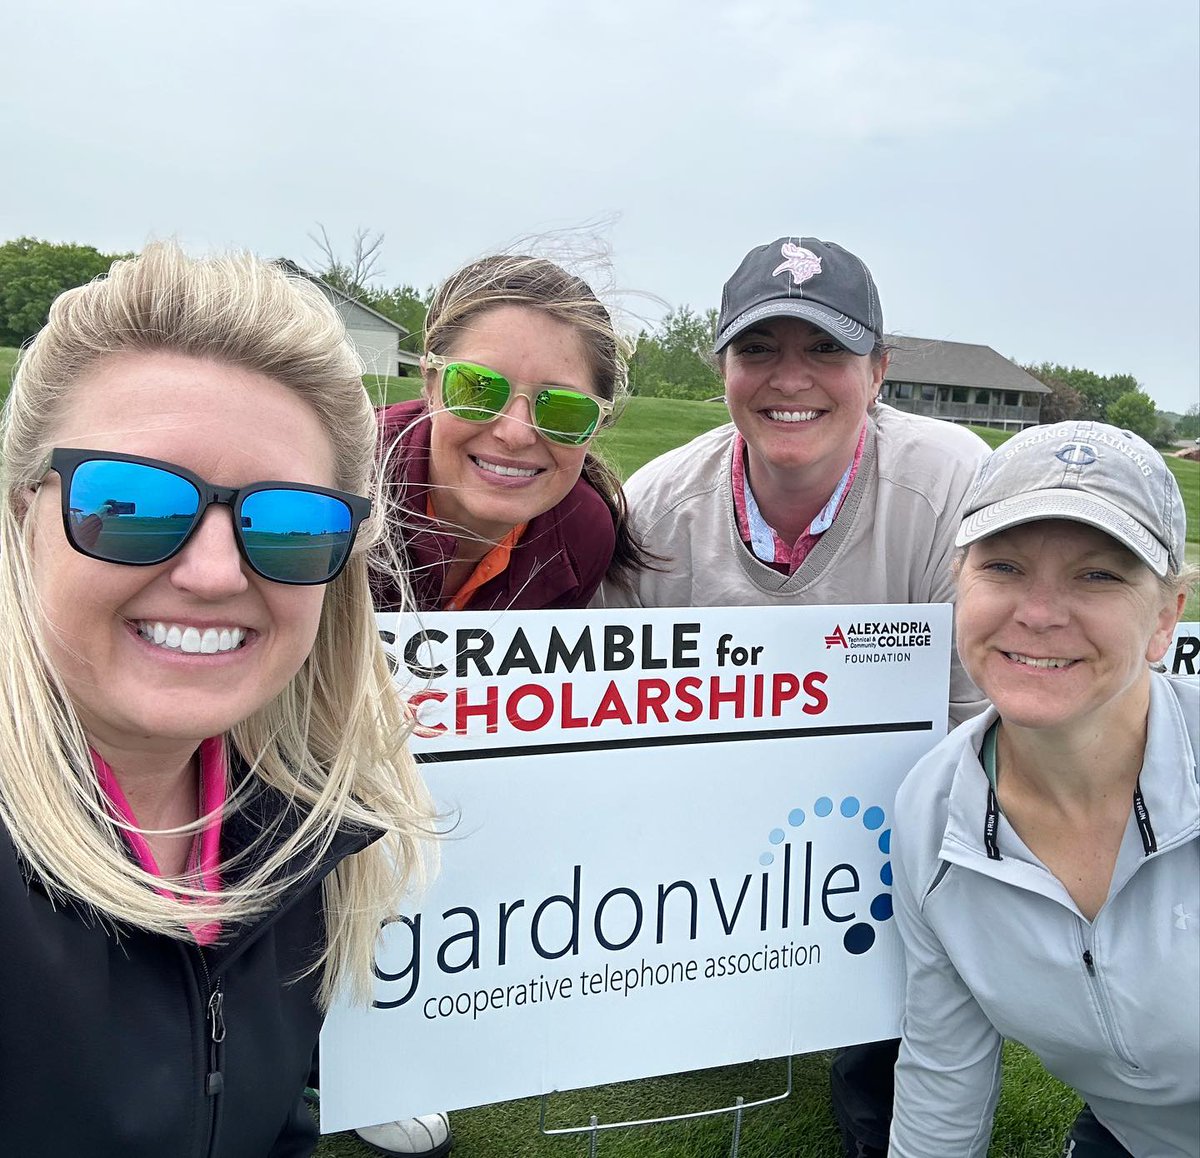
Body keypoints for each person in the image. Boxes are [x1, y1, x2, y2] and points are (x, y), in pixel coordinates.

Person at [0, 243, 434, 1157]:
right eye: (130, 501)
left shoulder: (303, 830)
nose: (213, 572)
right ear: (21, 510)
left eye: (290, 521)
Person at [601, 236, 991, 1156]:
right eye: (758, 348)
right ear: (722, 369)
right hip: (715, 806)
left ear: (879, 371)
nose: (790, 378)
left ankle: (876, 1057)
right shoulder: (659, 503)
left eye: (825, 348)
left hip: (902, 803)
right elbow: (608, 713)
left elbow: (976, 729)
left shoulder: (950, 482)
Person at [357, 253, 651, 1157]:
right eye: (479, 389)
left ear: (596, 424)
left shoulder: (584, 531)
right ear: (430, 381)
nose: (517, 433)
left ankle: (378, 1040)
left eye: (561, 410)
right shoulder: (337, 473)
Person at [889, 420, 1199, 1158]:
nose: (1038, 613)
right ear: (958, 585)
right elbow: (942, 1074)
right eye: (1004, 567)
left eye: (1098, 576)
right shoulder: (932, 812)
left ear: (1165, 618)